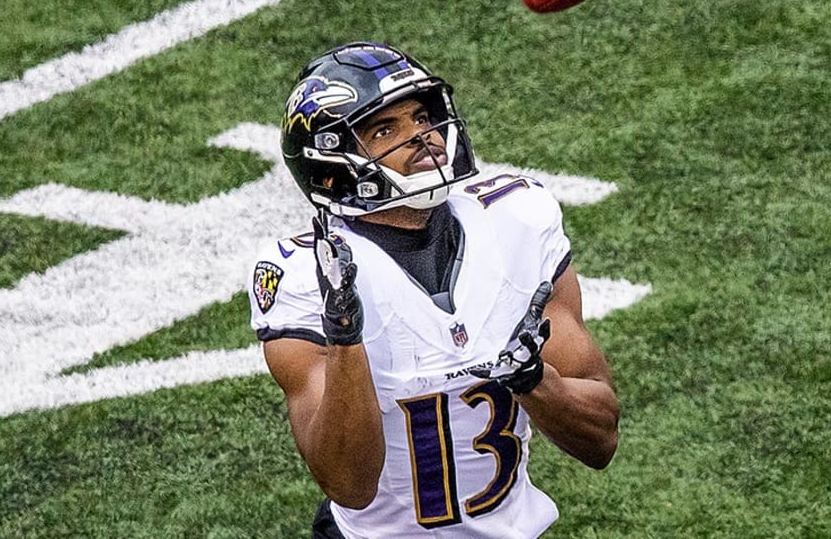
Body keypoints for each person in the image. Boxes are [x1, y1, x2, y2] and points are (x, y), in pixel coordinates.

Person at [247, 41, 620, 538]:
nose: (423, 137)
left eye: (423, 117)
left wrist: (534, 380)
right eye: (386, 129)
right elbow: (348, 484)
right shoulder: (304, 275)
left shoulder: (517, 220)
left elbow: (601, 440)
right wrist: (344, 338)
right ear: (332, 162)